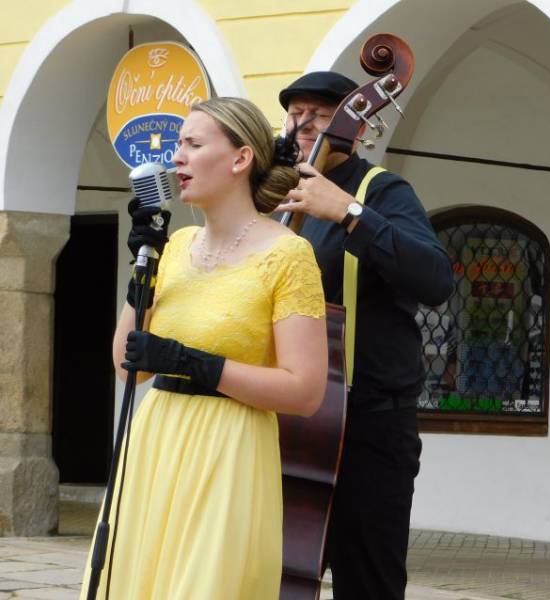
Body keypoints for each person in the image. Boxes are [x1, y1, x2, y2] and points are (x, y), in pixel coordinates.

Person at [79, 97, 328, 599]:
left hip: (229, 446)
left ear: (240, 159)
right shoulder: (173, 246)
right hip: (154, 441)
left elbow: (305, 391)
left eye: (193, 144)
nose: (177, 158)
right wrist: (142, 267)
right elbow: (128, 367)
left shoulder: (288, 255)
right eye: (177, 145)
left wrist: (197, 364)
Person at [274, 71, 455, 599]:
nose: (303, 124)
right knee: (279, 577)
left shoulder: (382, 191)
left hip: (369, 424)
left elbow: (436, 279)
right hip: (284, 419)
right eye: (295, 112)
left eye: (320, 114)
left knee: (368, 583)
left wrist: (350, 213)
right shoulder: (274, 193)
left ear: (357, 125)